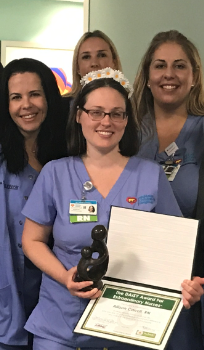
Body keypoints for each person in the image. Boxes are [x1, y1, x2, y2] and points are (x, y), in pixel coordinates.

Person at [22, 67, 204, 350]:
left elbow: (175, 249)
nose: (106, 121)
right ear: (79, 115)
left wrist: (187, 286)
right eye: (96, 112)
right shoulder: (55, 174)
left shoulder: (150, 175)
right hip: (61, 327)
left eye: (116, 113)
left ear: (126, 120)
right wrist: (64, 276)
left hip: (129, 330)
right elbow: (32, 240)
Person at [0, 58, 67, 349]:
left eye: (34, 94)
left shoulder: (70, 158)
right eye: (16, 97)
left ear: (49, 97)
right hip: (6, 300)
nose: (26, 105)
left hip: (58, 297)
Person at [133, 29, 204, 218]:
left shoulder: (200, 131)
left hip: (192, 245)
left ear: (194, 77)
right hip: (129, 244)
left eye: (179, 66)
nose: (169, 74)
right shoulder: (126, 129)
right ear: (148, 77)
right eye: (160, 66)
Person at [62, 29, 122, 117]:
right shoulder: (61, 107)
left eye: (102, 55)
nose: (94, 63)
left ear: (114, 63)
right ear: (77, 67)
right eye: (86, 57)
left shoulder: (132, 106)